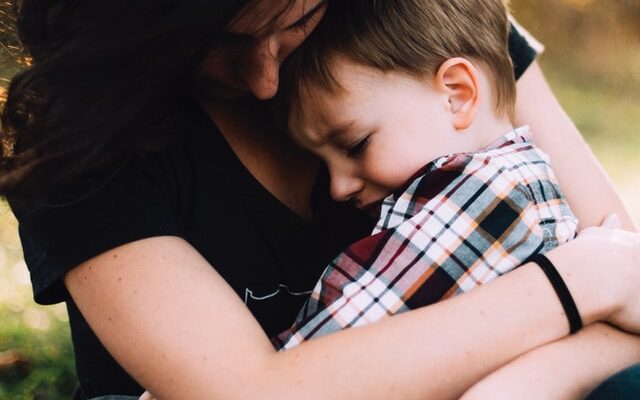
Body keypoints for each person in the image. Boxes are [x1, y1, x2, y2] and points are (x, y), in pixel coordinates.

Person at [0, 0, 639, 399]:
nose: (264, 81)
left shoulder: (429, 27)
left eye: (293, 22)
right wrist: (578, 282)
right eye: (213, 47)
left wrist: (531, 382)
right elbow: (243, 394)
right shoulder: (79, 129)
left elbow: (632, 305)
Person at [274, 0, 580, 348]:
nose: (337, 187)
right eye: (321, 162)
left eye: (356, 145)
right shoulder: (517, 182)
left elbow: (325, 351)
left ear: (457, 95)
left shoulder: (487, 198)